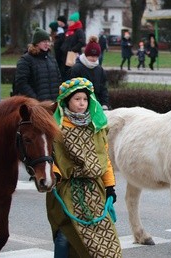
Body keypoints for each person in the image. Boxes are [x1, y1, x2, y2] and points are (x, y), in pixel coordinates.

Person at [46, 77, 122, 257]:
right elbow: (51, 158)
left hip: (94, 190)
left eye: (85, 99)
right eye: (77, 99)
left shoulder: (96, 126)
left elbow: (105, 159)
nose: (82, 103)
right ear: (66, 101)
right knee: (66, 235)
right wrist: (55, 176)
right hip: (66, 189)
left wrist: (110, 187)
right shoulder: (56, 127)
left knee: (103, 240)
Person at [13, 28, 61, 101]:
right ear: (37, 43)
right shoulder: (26, 60)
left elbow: (58, 80)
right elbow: (21, 83)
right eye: (44, 41)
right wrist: (35, 99)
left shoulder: (52, 59)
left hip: (53, 104)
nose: (47, 44)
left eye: (49, 41)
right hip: (36, 106)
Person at [68, 36, 110, 110]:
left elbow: (103, 88)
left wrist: (104, 103)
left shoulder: (100, 69)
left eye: (96, 56)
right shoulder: (76, 68)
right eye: (91, 56)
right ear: (86, 55)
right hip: (81, 105)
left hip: (97, 104)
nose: (94, 59)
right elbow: (72, 89)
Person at [61, 12, 86, 78]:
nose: (68, 22)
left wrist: (73, 50)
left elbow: (82, 42)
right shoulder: (68, 31)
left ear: (74, 22)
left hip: (73, 54)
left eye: (70, 21)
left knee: (72, 72)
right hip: (65, 55)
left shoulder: (79, 31)